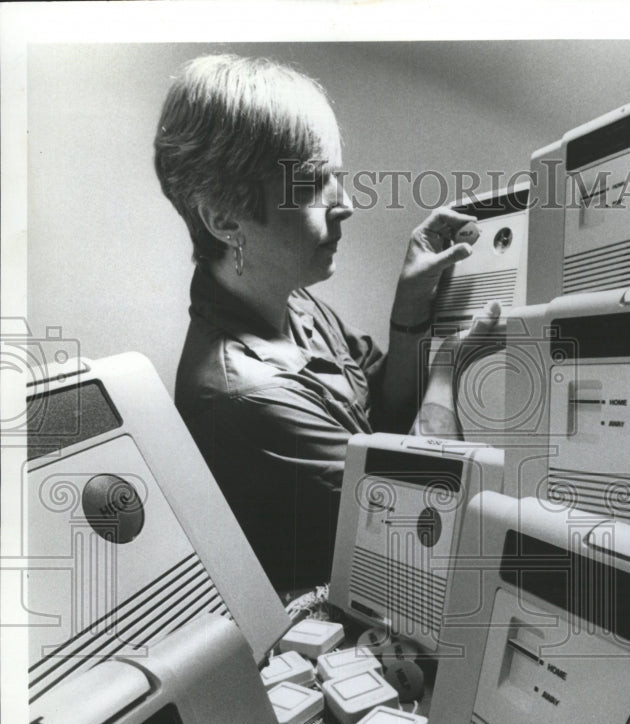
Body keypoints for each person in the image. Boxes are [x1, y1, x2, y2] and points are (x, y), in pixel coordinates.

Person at [155, 54, 493, 593]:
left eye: (338, 177)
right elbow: (421, 521)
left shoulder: (292, 303)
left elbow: (380, 419)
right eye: (313, 185)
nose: (348, 205)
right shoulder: (245, 395)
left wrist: (408, 312)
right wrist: (449, 369)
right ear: (224, 220)